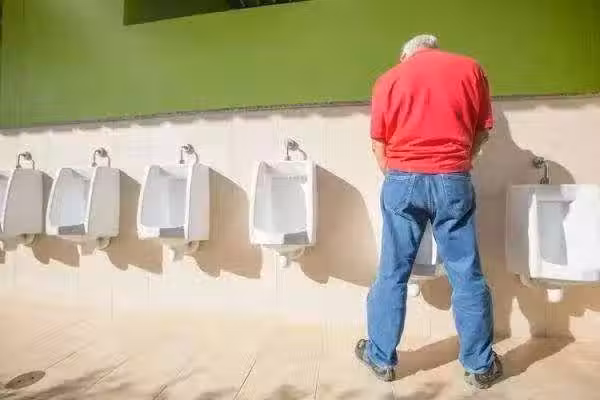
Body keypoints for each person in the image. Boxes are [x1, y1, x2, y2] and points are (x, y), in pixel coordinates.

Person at [355, 34, 502, 389]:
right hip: (453, 177)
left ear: (406, 54)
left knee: (393, 272)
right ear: (433, 47)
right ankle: (480, 366)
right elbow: (482, 131)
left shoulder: (389, 78)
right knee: (466, 273)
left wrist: (397, 175)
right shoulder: (471, 70)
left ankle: (381, 357)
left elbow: (378, 143)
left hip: (402, 177)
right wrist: (462, 160)